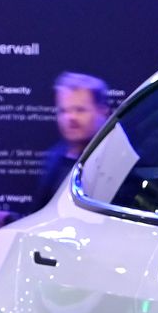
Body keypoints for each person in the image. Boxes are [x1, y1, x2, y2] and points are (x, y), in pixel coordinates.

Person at [31, 72, 111, 210]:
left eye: (80, 110)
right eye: (64, 111)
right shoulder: (54, 158)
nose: (70, 118)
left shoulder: (116, 160)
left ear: (102, 112)